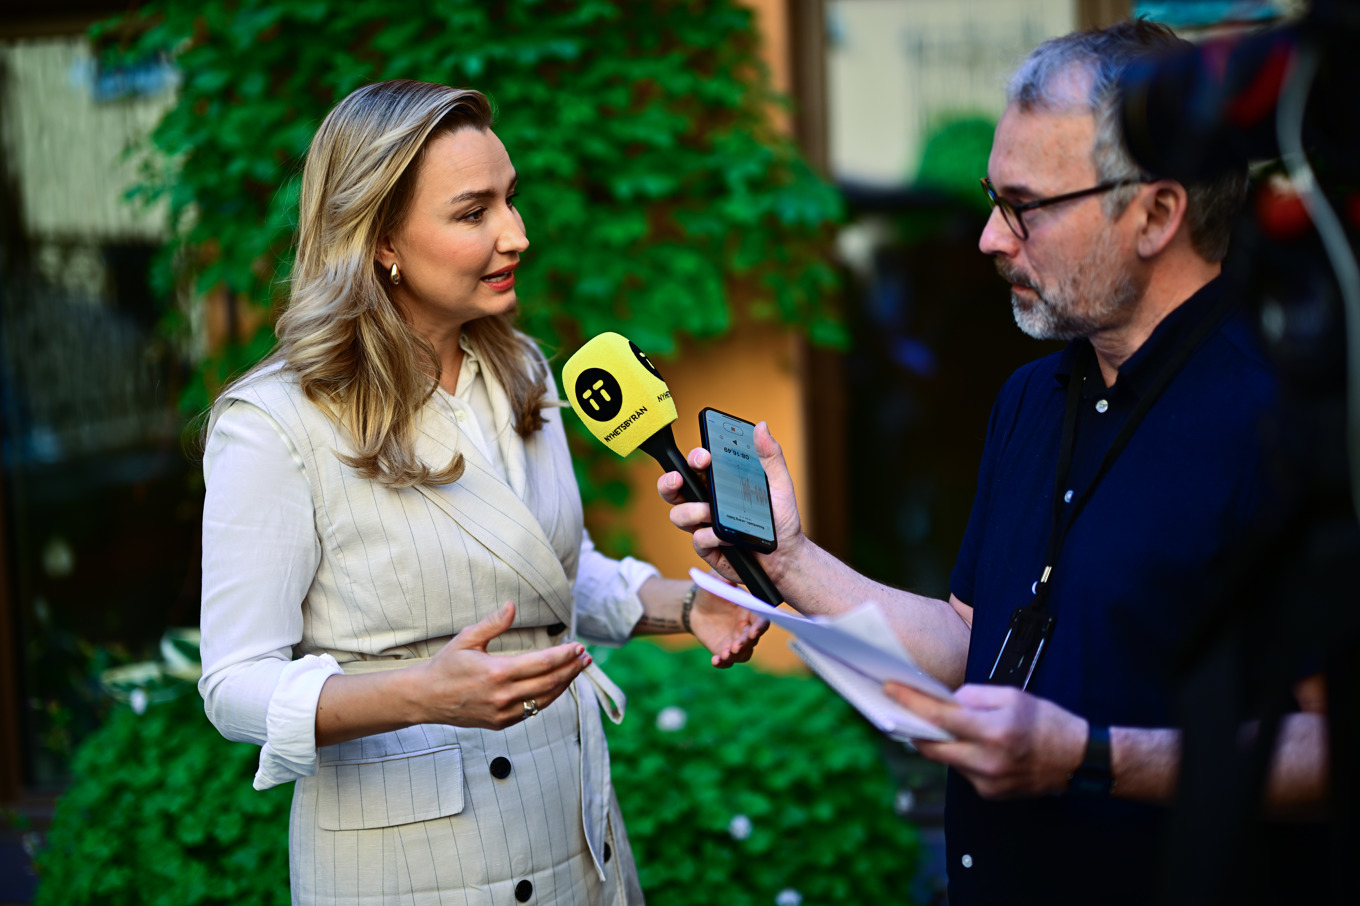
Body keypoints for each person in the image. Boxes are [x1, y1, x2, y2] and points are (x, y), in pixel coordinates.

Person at [658, 20, 1328, 906]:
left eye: (1025, 206)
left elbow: (1334, 744)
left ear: (1157, 213)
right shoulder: (1028, 397)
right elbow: (978, 645)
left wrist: (1088, 760)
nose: (988, 238)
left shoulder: (1293, 416)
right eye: (990, 198)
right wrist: (790, 560)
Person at [198, 79, 766, 906]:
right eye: (474, 213)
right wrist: (416, 695)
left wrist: (687, 604)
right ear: (381, 238)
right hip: (409, 871)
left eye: (512, 200)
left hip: (576, 840)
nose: (518, 235)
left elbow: (537, 575)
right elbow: (234, 684)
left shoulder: (523, 371)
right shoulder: (275, 422)